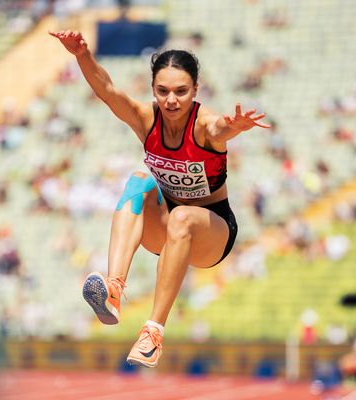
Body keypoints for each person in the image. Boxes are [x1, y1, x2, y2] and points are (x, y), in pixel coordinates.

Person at [49, 30, 270, 368]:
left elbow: (218, 132)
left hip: (212, 231)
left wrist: (235, 128)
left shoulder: (204, 124)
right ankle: (114, 287)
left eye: (181, 92)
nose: (171, 100)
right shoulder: (146, 120)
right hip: (168, 231)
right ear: (153, 89)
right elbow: (108, 92)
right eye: (163, 91)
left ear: (195, 90)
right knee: (139, 181)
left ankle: (153, 333)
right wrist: (82, 55)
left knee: (183, 217)